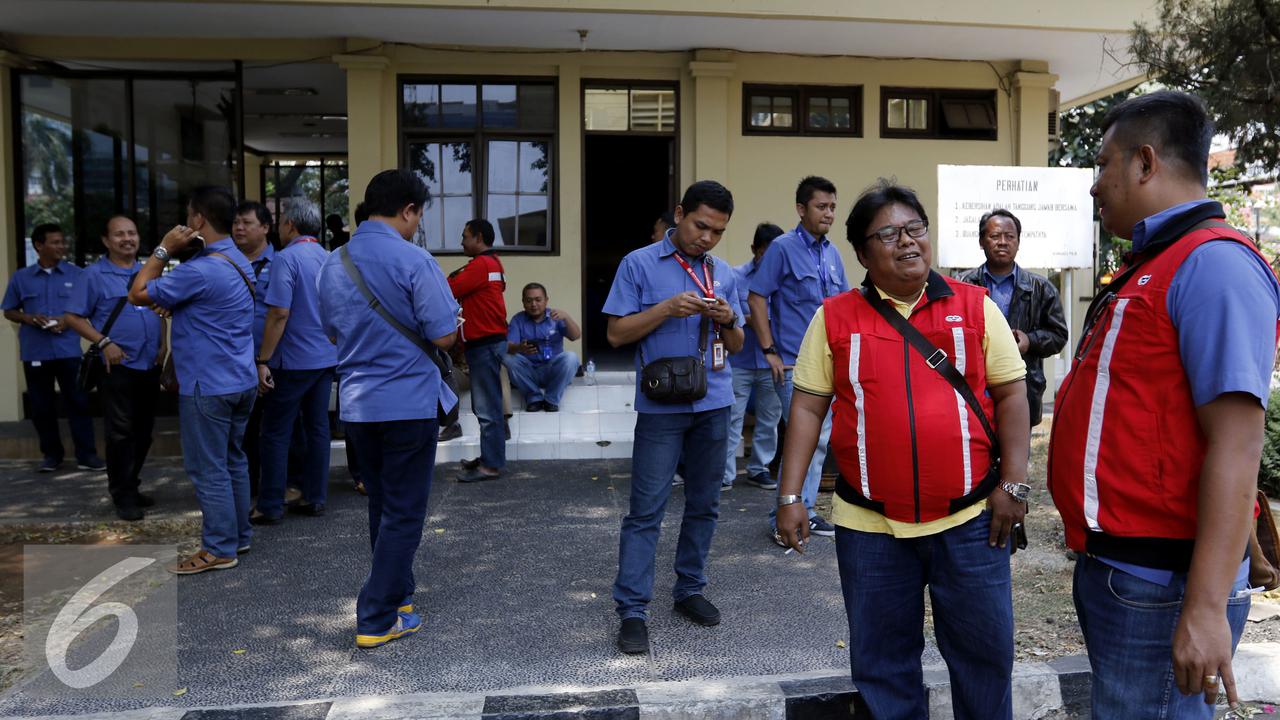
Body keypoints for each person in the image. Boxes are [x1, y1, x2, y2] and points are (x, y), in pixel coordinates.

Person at [1049, 90, 1280, 718]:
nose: (1096, 186)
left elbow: (1238, 443)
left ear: (1145, 163)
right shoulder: (1158, 261)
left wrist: (1205, 609)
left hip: (1161, 584)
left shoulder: (1213, 266)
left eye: (1103, 165)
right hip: (1129, 573)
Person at [776, 180, 1030, 720]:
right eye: (888, 234)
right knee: (883, 667)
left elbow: (1012, 397)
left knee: (985, 660)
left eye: (916, 228)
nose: (907, 242)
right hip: (871, 531)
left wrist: (1014, 484)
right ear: (864, 253)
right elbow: (806, 408)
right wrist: (790, 495)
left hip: (971, 521)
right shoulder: (834, 317)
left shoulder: (977, 307)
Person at [317, 169, 459, 649]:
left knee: (382, 504)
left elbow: (331, 333)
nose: (417, 224)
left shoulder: (333, 263)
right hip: (407, 402)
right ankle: (376, 616)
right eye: (419, 215)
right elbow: (443, 334)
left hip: (356, 404)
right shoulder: (415, 260)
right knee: (404, 512)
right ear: (409, 211)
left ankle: (398, 594)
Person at [604, 180, 744, 654]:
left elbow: (739, 345)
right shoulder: (638, 263)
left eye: (718, 232)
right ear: (680, 214)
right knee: (646, 512)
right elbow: (617, 334)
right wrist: (665, 309)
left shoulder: (724, 273)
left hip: (714, 402)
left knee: (705, 504)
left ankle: (689, 590)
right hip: (662, 407)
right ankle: (633, 610)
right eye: (701, 225)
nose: (707, 238)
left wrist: (727, 319)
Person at [129, 186, 257, 575]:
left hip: (208, 383)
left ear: (199, 220)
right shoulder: (237, 260)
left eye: (188, 214)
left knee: (208, 467)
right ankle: (238, 535)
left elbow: (136, 292)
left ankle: (219, 547)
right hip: (240, 378)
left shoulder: (199, 269)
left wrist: (164, 247)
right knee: (233, 459)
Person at [748, 176, 848, 543]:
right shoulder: (782, 248)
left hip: (829, 363)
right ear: (801, 209)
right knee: (804, 438)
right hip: (793, 363)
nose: (829, 214)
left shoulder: (832, 253)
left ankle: (804, 509)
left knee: (819, 440)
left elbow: (843, 304)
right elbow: (757, 297)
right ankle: (784, 517)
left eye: (833, 207)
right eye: (822, 207)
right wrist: (769, 350)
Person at [64, 216, 166, 520]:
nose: (127, 239)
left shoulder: (149, 271)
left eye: (132, 233)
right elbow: (73, 317)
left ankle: (130, 485)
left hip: (149, 363)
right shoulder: (93, 275)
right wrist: (104, 341)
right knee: (120, 433)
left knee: (144, 432)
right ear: (106, 241)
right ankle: (122, 495)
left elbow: (158, 310)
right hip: (117, 366)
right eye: (119, 234)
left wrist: (163, 346)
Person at [251, 199, 337, 524]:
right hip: (326, 357)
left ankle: (270, 504)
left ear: (291, 225)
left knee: (274, 431)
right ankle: (315, 496)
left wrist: (263, 359)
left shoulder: (286, 259)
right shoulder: (330, 259)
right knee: (317, 428)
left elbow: (278, 313)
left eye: (282, 221)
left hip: (292, 359)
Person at [2, 224, 104, 474]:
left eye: (62, 242)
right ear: (39, 245)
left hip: (68, 351)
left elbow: (88, 309)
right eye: (55, 242)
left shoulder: (77, 274)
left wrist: (65, 320)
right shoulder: (21, 277)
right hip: (35, 352)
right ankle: (51, 455)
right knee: (41, 406)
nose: (61, 247)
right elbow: (9, 310)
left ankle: (87, 456)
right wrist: (29, 318)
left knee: (78, 402)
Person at [958, 209, 1068, 425]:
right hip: (975, 390)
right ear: (981, 241)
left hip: (1023, 390)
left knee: (1015, 456)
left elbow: (1058, 335)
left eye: (1010, 236)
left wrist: (1030, 341)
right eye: (995, 236)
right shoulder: (963, 285)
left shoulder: (1041, 288)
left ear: (1018, 242)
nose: (1002, 242)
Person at [723, 223, 785, 491]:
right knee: (732, 418)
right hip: (740, 361)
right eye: (765, 253)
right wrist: (757, 318)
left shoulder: (786, 278)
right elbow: (729, 315)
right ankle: (724, 474)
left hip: (775, 361)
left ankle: (759, 469)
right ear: (754, 250)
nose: (770, 261)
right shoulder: (735, 277)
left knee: (770, 418)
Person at [448, 218, 507, 482]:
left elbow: (450, 289)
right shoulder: (493, 263)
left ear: (479, 237)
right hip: (488, 342)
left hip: (484, 343)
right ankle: (489, 457)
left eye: (465, 236)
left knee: (486, 408)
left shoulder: (481, 265)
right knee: (487, 406)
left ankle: (490, 466)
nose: (461, 241)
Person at [232, 201, 275, 499]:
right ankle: (244, 491)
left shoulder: (281, 263)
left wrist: (265, 359)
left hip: (272, 362)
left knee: (270, 430)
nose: (239, 228)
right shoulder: (226, 261)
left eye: (246, 223)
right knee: (242, 432)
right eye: (236, 223)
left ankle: (268, 489)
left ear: (265, 228)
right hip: (233, 362)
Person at [503, 283, 581, 412]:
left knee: (571, 357)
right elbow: (508, 346)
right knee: (507, 358)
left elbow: (576, 336)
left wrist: (567, 317)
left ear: (546, 300)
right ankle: (534, 398)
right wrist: (519, 348)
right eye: (529, 301)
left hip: (552, 369)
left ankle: (551, 400)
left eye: (538, 300)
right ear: (523, 303)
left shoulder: (556, 316)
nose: (534, 304)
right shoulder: (518, 320)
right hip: (528, 371)